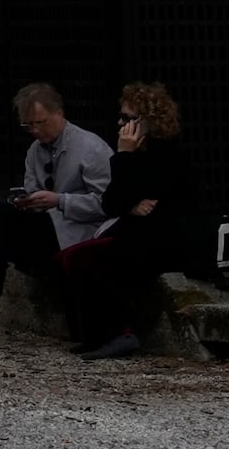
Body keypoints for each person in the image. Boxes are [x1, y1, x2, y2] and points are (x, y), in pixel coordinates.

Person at [0, 83, 114, 342]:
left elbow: (107, 204)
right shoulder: (35, 150)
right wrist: (27, 200)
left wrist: (60, 201)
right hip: (46, 224)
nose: (35, 131)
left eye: (40, 123)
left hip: (76, 232)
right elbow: (34, 187)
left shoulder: (91, 148)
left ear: (59, 113)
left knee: (0, 228)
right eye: (27, 126)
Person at [68, 83, 191, 361]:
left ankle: (118, 334)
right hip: (139, 232)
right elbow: (112, 203)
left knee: (103, 260)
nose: (121, 123)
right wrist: (131, 202)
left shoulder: (167, 154)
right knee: (80, 258)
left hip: (164, 239)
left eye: (129, 118)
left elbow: (157, 200)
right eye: (121, 116)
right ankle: (96, 335)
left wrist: (124, 158)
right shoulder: (137, 154)